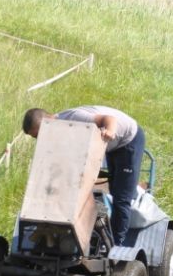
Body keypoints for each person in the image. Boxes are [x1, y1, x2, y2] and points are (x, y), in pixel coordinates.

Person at [22, 106, 144, 247]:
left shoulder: (75, 118)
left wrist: (109, 131)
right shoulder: (56, 131)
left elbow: (109, 119)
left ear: (47, 120)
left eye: (38, 135)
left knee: (121, 197)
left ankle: (117, 244)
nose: (39, 139)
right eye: (34, 137)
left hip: (128, 140)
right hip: (113, 146)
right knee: (113, 188)